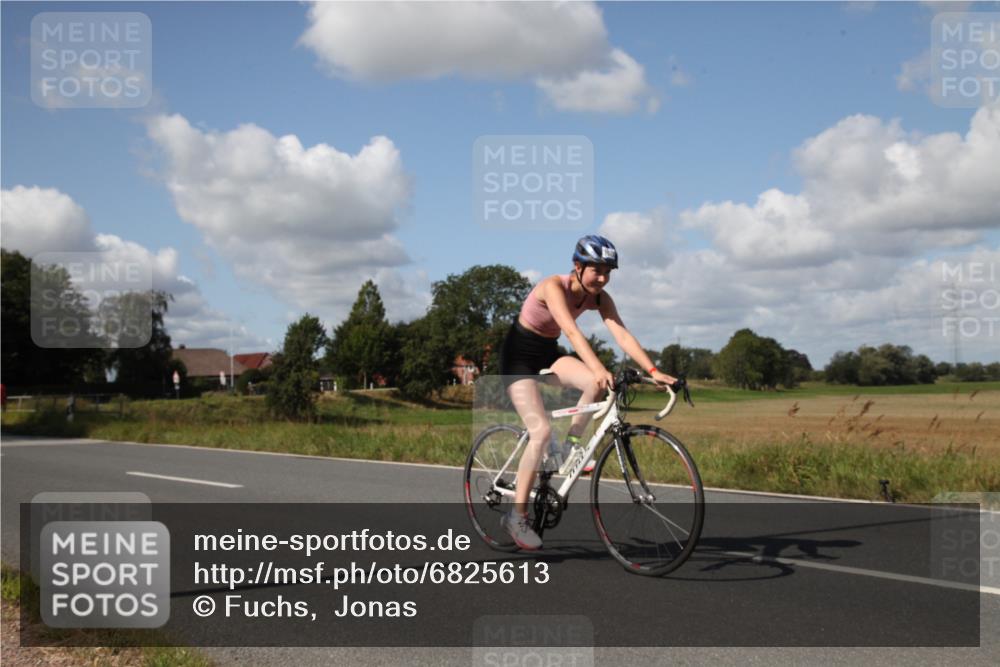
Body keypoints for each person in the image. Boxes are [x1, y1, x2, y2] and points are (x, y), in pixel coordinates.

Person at [498, 235, 677, 550]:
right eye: (597, 270)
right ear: (577, 267)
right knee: (539, 433)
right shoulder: (553, 287)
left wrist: (653, 370)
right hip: (517, 360)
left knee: (596, 385)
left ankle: (570, 449)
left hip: (547, 355)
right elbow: (571, 331)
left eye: (609, 271)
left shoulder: (599, 298)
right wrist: (597, 366)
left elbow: (621, 333)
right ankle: (516, 516)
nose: (604, 278)